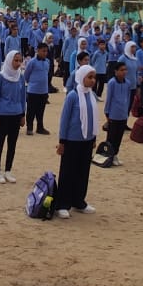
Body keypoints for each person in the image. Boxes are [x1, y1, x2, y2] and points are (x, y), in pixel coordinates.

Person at [54, 65, 100, 218]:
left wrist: (93, 137)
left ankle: (78, 201)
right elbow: (64, 120)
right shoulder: (73, 96)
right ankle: (62, 204)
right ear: (81, 77)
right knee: (68, 172)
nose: (93, 80)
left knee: (83, 172)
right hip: (72, 140)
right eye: (89, 77)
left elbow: (93, 118)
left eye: (94, 77)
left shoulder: (91, 95)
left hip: (87, 140)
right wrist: (62, 141)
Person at [0, 51, 26, 184]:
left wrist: (23, 115)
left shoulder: (20, 76)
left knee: (12, 144)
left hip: (16, 115)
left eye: (20, 61)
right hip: (3, 115)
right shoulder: (0, 76)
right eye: (15, 60)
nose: (18, 63)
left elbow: (23, 97)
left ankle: (8, 170)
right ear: (9, 60)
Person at [103, 61, 133, 166]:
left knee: (119, 137)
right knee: (111, 137)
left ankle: (115, 155)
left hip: (123, 114)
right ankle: (108, 156)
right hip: (113, 114)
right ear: (116, 71)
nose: (124, 72)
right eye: (121, 70)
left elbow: (128, 98)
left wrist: (126, 112)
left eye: (125, 70)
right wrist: (107, 113)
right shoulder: (112, 83)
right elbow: (109, 98)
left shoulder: (127, 83)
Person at [24, 41, 51, 135]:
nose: (45, 53)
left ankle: (40, 127)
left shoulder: (47, 62)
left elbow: (46, 74)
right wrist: (32, 83)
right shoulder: (32, 62)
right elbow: (26, 75)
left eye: (46, 51)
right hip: (33, 91)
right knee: (31, 110)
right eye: (43, 51)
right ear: (38, 50)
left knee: (41, 110)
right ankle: (29, 127)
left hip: (43, 91)